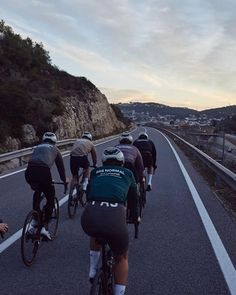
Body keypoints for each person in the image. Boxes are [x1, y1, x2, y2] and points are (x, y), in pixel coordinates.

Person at [81, 147, 139, 295]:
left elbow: (89, 194)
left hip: (90, 214)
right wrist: (135, 217)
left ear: (103, 162)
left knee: (95, 233)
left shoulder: (95, 172)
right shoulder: (128, 173)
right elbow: (133, 199)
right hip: (115, 214)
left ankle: (93, 270)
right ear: (121, 162)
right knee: (122, 257)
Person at [25, 132, 67, 240]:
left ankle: (34, 219)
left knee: (38, 191)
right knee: (50, 196)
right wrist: (64, 181)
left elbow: (35, 161)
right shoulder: (55, 149)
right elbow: (61, 169)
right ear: (54, 141)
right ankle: (44, 227)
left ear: (43, 140)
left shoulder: (37, 147)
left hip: (29, 172)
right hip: (43, 172)